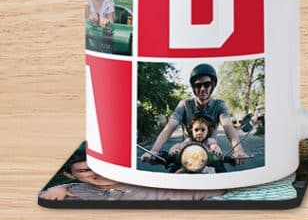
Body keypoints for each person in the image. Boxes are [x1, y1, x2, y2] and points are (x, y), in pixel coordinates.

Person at [144, 63, 249, 162]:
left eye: (207, 84)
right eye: (198, 85)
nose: (202, 89)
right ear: (194, 88)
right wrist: (154, 151)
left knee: (222, 175)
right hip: (186, 153)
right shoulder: (184, 105)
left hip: (210, 153)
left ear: (212, 86)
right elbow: (170, 127)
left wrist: (238, 150)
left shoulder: (219, 105)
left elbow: (228, 126)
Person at [39, 148, 221, 202]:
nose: (99, 172)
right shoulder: (62, 194)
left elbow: (219, 192)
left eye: (103, 164)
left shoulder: (157, 185)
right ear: (69, 175)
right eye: (85, 170)